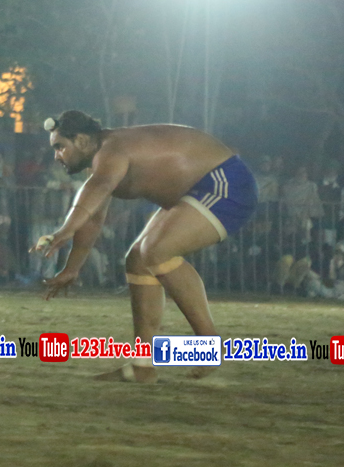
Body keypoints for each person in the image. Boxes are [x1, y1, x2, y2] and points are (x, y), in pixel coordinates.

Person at [31, 110, 257, 383]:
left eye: (60, 147)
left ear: (80, 140)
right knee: (138, 260)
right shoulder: (102, 159)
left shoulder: (111, 150)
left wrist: (65, 230)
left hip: (224, 183)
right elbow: (93, 218)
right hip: (198, 190)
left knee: (155, 251)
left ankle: (210, 345)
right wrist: (71, 268)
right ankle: (142, 365)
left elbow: (98, 189)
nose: (57, 156)